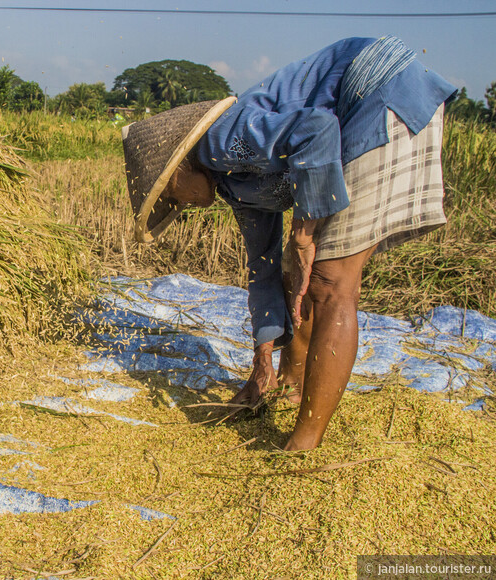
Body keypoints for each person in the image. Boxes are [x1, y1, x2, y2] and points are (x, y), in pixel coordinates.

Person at [122, 36, 456, 450]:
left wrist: (303, 230)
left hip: (380, 94)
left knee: (330, 283)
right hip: (378, 101)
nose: (181, 204)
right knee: (293, 276)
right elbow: (260, 269)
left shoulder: (223, 140)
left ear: (178, 166)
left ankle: (302, 445)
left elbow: (316, 129)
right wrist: (262, 355)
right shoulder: (234, 183)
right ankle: (289, 387)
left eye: (172, 194)